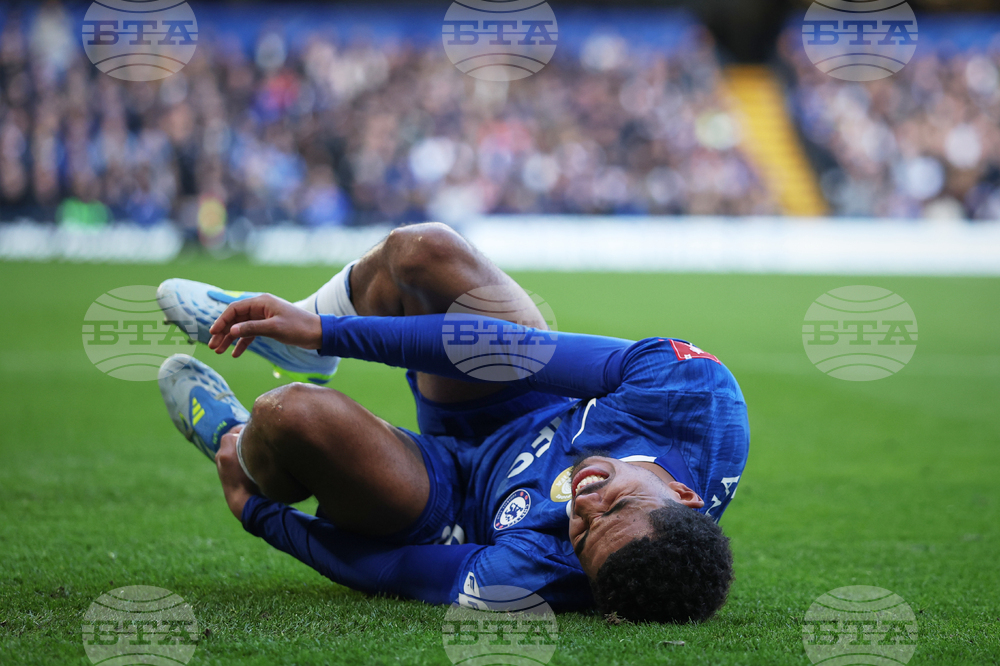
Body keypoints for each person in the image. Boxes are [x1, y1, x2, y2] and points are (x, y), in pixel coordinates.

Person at [156, 222, 750, 623]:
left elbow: (394, 569)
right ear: (683, 493)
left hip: (452, 500)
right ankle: (306, 338)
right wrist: (325, 332)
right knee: (422, 251)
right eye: (617, 508)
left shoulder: (535, 575)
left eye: (584, 536)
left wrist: (258, 515)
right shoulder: (695, 394)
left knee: (287, 415)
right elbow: (515, 350)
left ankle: (234, 445)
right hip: (523, 401)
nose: (586, 507)